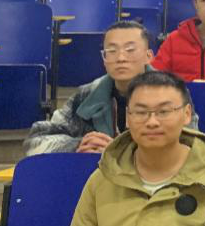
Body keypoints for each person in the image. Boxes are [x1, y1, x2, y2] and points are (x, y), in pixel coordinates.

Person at [59, 70, 205, 226]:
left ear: (187, 114)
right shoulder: (103, 179)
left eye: (164, 111)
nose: (152, 122)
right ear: (127, 117)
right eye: (141, 112)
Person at [25, 21, 156, 155]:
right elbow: (36, 142)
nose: (121, 58)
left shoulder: (167, 95)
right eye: (112, 51)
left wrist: (117, 151)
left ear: (149, 56)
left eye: (130, 50)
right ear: (104, 59)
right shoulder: (87, 95)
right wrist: (79, 145)